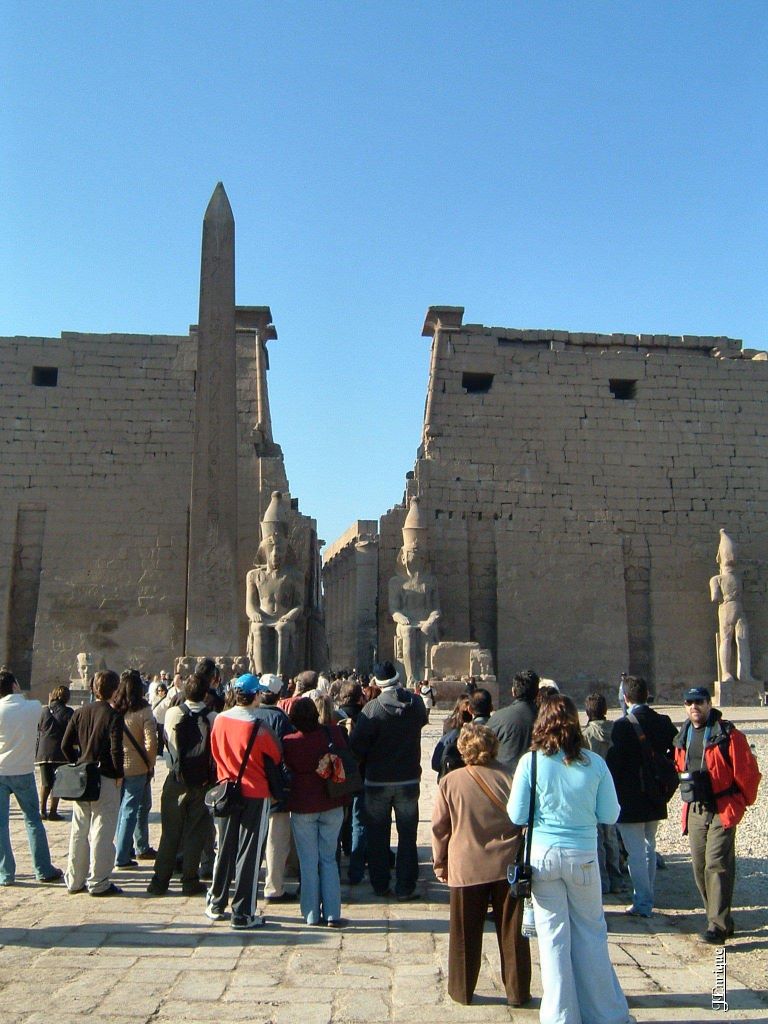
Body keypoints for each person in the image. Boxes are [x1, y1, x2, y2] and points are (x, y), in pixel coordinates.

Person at [508, 693, 634, 1024]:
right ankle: (605, 1013)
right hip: (582, 856)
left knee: (552, 939)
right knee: (591, 933)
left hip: (543, 857)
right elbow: (610, 814)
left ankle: (560, 1016)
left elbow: (516, 814)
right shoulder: (594, 764)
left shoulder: (531, 762)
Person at [432, 723, 531, 1007]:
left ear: (464, 749)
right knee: (512, 933)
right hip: (506, 864)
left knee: (464, 933)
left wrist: (440, 863)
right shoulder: (511, 777)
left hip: (466, 864)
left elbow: (440, 828)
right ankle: (518, 992)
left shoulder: (450, 782)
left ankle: (461, 990)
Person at [672, 686, 761, 943]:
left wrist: (741, 802)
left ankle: (717, 926)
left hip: (722, 807)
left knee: (716, 864)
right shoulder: (683, 736)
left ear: (709, 704)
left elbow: (747, 772)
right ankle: (719, 918)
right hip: (695, 809)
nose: (694, 706)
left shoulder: (728, 735)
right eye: (689, 702)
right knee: (700, 867)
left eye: (699, 701)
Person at [206, 673, 281, 929]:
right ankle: (242, 912)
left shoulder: (220, 720)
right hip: (255, 793)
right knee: (249, 853)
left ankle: (216, 902)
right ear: (256, 695)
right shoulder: (259, 727)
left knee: (225, 848)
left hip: (226, 790)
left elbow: (215, 751)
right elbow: (276, 755)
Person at [349, 661, 428, 900]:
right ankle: (405, 885)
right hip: (408, 778)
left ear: (376, 682)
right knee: (407, 835)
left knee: (378, 834)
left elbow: (357, 747)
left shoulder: (372, 709)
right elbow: (421, 722)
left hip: (378, 780)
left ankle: (380, 883)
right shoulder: (416, 704)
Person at [606, 676, 677, 917]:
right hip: (655, 793)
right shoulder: (663, 721)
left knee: (636, 852)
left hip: (630, 797)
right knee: (649, 847)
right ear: (647, 695)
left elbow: (614, 765)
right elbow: (676, 751)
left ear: (626, 698)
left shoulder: (622, 726)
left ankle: (644, 901)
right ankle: (647, 896)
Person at [147, 672, 216, 896]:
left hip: (176, 778)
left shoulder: (173, 713)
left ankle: (160, 880)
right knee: (196, 833)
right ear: (205, 694)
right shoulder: (213, 718)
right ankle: (190, 880)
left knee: (170, 833)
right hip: (202, 780)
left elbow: (165, 738)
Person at [283, 697, 349, 926]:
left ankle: (311, 913)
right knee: (329, 859)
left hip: (303, 805)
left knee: (308, 862)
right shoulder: (334, 733)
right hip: (332, 801)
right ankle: (332, 913)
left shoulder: (289, 742)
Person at [61, 669, 124, 896]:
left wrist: (76, 763)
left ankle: (75, 879)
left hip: (83, 776)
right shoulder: (113, 715)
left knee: (79, 829)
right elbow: (116, 749)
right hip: (104, 776)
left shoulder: (80, 712)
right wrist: (119, 774)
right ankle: (98, 881)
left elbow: (65, 745)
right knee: (102, 830)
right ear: (115, 690)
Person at [0, 670, 63, 886]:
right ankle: (43, 869)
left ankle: (5, 873)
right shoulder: (33, 707)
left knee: (1, 825)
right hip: (23, 770)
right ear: (15, 685)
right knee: (33, 820)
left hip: (1, 769)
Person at [251, 672, 298, 905]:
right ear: (280, 694)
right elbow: (287, 755)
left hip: (251, 784)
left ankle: (248, 882)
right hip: (275, 787)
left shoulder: (248, 715)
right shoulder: (281, 719)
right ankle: (274, 886)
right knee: (275, 841)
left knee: (251, 838)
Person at [582, 692, 626, 895]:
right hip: (614, 785)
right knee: (611, 835)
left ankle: (603, 880)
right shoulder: (616, 731)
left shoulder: (586, 736)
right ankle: (616, 878)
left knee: (598, 836)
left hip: (594, 788)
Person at [113, 670, 157, 868]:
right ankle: (122, 854)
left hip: (118, 765)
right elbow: (151, 742)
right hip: (137, 766)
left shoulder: (115, 709)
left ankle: (139, 846)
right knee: (130, 809)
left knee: (133, 807)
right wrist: (150, 763)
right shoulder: (144, 711)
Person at [337, 681, 368, 885]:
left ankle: (335, 863)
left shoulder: (334, 717)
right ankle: (356, 869)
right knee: (358, 822)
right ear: (359, 697)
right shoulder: (366, 717)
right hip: (360, 776)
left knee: (338, 822)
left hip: (339, 778)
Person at [487, 669, 539, 776]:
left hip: (504, 778)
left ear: (513, 691)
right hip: (537, 778)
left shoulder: (498, 717)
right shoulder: (547, 719)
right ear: (537, 693)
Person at [35, 684, 74, 821]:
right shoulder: (69, 712)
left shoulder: (44, 711)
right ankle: (53, 812)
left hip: (44, 751)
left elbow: (39, 728)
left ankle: (42, 810)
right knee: (58, 783)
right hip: (60, 751)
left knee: (45, 783)